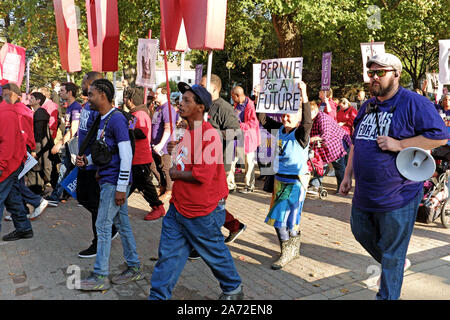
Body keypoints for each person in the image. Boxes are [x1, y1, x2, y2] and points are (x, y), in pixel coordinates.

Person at [339, 53, 449, 300]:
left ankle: (388, 290)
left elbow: (440, 136)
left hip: (398, 195)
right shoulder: (367, 106)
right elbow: (356, 142)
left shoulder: (414, 103)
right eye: (371, 73)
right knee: (361, 232)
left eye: (381, 72)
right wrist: (347, 175)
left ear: (397, 74)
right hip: (364, 194)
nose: (374, 78)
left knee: (391, 255)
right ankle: (396, 261)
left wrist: (400, 144)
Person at [149, 82, 243, 300]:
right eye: (181, 100)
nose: (180, 104)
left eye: (187, 101)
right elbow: (185, 159)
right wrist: (176, 149)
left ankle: (233, 289)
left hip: (203, 212)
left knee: (214, 254)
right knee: (168, 258)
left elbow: (202, 175)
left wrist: (175, 174)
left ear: (200, 107)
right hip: (178, 208)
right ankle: (158, 297)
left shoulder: (208, 134)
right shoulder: (187, 131)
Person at [77, 79, 144, 291]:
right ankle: (134, 267)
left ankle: (100, 276)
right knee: (122, 226)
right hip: (109, 180)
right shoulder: (103, 118)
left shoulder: (115, 120)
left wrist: (121, 188)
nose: (88, 98)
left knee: (103, 226)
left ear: (103, 95)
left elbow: (126, 156)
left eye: (91, 94)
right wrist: (87, 161)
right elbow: (106, 152)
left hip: (114, 182)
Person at [257, 81, 312, 270]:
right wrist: (259, 96)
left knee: (282, 219)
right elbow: (262, 119)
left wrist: (303, 93)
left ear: (298, 119)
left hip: (296, 183)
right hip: (279, 181)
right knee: (283, 221)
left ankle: (287, 253)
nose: (286, 117)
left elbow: (307, 121)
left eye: (291, 115)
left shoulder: (301, 134)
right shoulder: (279, 129)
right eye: (285, 114)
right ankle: (291, 249)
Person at [76, 71, 118, 259]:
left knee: (95, 203)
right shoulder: (88, 105)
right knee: (83, 197)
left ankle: (100, 238)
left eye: (85, 81)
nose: (82, 84)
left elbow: (104, 140)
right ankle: (111, 226)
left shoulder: (100, 111)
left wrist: (94, 162)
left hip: (93, 164)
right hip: (83, 160)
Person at [200, 74, 246, 243]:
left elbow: (237, 133)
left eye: (203, 85)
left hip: (219, 163)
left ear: (214, 88)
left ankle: (208, 242)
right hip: (203, 162)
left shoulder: (224, 108)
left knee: (211, 204)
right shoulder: (203, 106)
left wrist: (214, 133)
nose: (199, 88)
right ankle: (234, 226)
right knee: (207, 203)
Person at [123, 86, 165, 221]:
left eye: (125, 98)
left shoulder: (139, 114)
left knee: (145, 185)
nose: (123, 101)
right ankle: (118, 205)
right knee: (137, 184)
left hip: (140, 158)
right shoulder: (136, 114)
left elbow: (141, 133)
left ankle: (158, 207)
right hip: (136, 158)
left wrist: (124, 130)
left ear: (130, 100)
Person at [0, 88, 33, 241]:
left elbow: (7, 144)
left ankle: (24, 227)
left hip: (8, 163)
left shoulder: (6, 113)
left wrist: (1, 165)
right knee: (11, 195)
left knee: (5, 195)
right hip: (11, 162)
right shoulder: (7, 111)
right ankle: (24, 228)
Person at [45, 82, 82, 206]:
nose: (59, 92)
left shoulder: (76, 107)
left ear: (69, 92)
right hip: (69, 144)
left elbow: (74, 128)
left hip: (74, 144)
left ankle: (82, 196)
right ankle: (56, 196)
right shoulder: (70, 107)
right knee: (64, 170)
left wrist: (59, 143)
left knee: (74, 170)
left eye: (62, 90)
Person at [308, 102, 351, 194]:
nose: (306, 115)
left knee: (339, 168)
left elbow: (325, 135)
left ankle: (342, 188)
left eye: (308, 112)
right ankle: (315, 185)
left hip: (338, 144)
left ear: (315, 111)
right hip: (325, 146)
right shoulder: (312, 119)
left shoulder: (322, 118)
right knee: (319, 165)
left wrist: (310, 139)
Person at [229, 86, 261, 193]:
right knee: (232, 161)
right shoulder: (237, 105)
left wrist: (240, 125)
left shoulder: (250, 105)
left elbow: (253, 123)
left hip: (248, 138)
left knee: (249, 162)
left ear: (238, 96)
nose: (232, 98)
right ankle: (230, 184)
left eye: (233, 97)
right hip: (237, 137)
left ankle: (249, 185)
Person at [151, 86, 180, 201]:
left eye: (157, 94)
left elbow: (168, 128)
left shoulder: (167, 109)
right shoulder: (158, 109)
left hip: (164, 145)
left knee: (165, 168)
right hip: (154, 144)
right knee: (154, 166)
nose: (155, 95)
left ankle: (169, 190)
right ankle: (162, 185)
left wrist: (161, 144)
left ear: (164, 94)